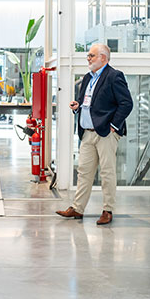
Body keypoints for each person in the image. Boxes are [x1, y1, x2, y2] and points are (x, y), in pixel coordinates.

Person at [56, 43, 133, 225]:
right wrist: (78, 107)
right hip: (87, 133)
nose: (88, 58)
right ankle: (77, 208)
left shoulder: (114, 76)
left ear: (103, 58)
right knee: (84, 172)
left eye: (92, 55)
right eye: (88, 56)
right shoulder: (87, 78)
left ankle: (108, 210)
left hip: (106, 133)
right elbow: (88, 103)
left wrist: (114, 125)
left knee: (107, 173)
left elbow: (126, 103)